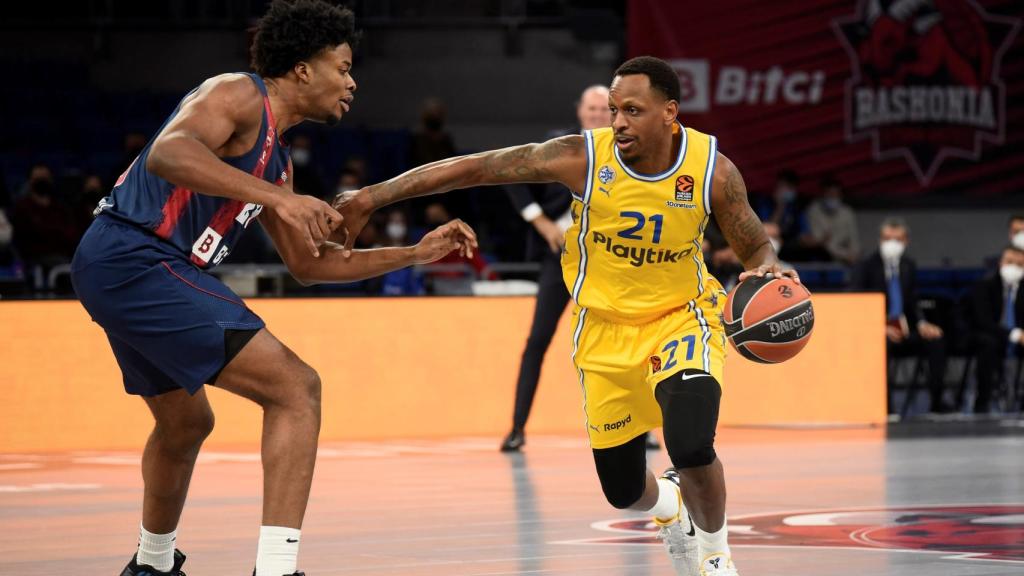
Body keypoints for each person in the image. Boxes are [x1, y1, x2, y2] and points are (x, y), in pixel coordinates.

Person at [335, 55, 799, 576]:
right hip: (603, 330)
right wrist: (370, 197)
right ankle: (671, 509)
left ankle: (715, 556)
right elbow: (474, 168)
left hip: (682, 317)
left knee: (690, 443)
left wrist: (767, 272)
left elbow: (756, 247)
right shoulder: (582, 157)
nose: (618, 120)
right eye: (615, 109)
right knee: (623, 491)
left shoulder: (712, 169)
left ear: (670, 113)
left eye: (632, 110)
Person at [70, 3, 476, 575]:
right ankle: (276, 570)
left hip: (132, 269)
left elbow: (312, 267)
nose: (353, 82)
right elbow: (169, 152)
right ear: (304, 71)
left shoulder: (277, 161)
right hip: (134, 256)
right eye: (343, 66)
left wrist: (414, 253)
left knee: (187, 423)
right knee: (296, 389)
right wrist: (279, 198)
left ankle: (152, 564)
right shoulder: (236, 93)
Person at [852, 218, 951, 414]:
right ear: (880, 240)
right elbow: (856, 303)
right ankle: (885, 408)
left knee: (936, 341)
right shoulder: (865, 266)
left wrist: (922, 323)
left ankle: (938, 404)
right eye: (887, 238)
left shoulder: (908, 265)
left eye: (897, 239)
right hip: (877, 331)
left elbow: (913, 299)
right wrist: (879, 327)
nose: (891, 243)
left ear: (906, 241)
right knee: (881, 346)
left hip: (905, 328)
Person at [967, 245, 1024, 413]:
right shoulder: (984, 286)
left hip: (1020, 338)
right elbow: (982, 321)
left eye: (1019, 264)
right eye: (1010, 262)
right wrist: (1014, 334)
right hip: (991, 335)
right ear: (1000, 263)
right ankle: (983, 400)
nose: (1013, 267)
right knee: (988, 344)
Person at [805, 177, 859, 265]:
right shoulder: (814, 211)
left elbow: (854, 241)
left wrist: (854, 255)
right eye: (830, 195)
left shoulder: (847, 212)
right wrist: (845, 255)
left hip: (845, 262)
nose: (833, 197)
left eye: (836, 195)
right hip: (820, 259)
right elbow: (820, 242)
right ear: (823, 195)